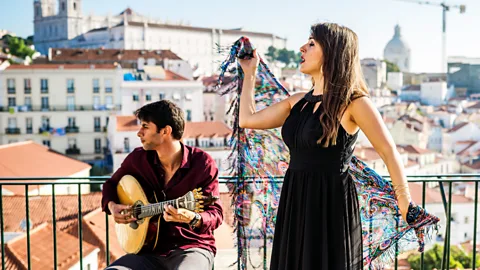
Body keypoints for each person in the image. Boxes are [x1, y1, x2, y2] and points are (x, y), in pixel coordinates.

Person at [237, 23, 415, 269]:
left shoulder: (354, 103)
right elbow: (247, 119)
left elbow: (388, 151)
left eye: (311, 44)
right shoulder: (297, 102)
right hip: (296, 200)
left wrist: (404, 200)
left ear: (332, 53)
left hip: (331, 204)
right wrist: (249, 74)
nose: (302, 48)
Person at [101, 100, 223, 270]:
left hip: (192, 247)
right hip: (147, 252)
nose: (139, 133)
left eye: (145, 126)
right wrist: (112, 206)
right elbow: (111, 184)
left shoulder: (202, 163)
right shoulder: (138, 159)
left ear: (165, 131)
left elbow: (215, 214)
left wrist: (193, 218)